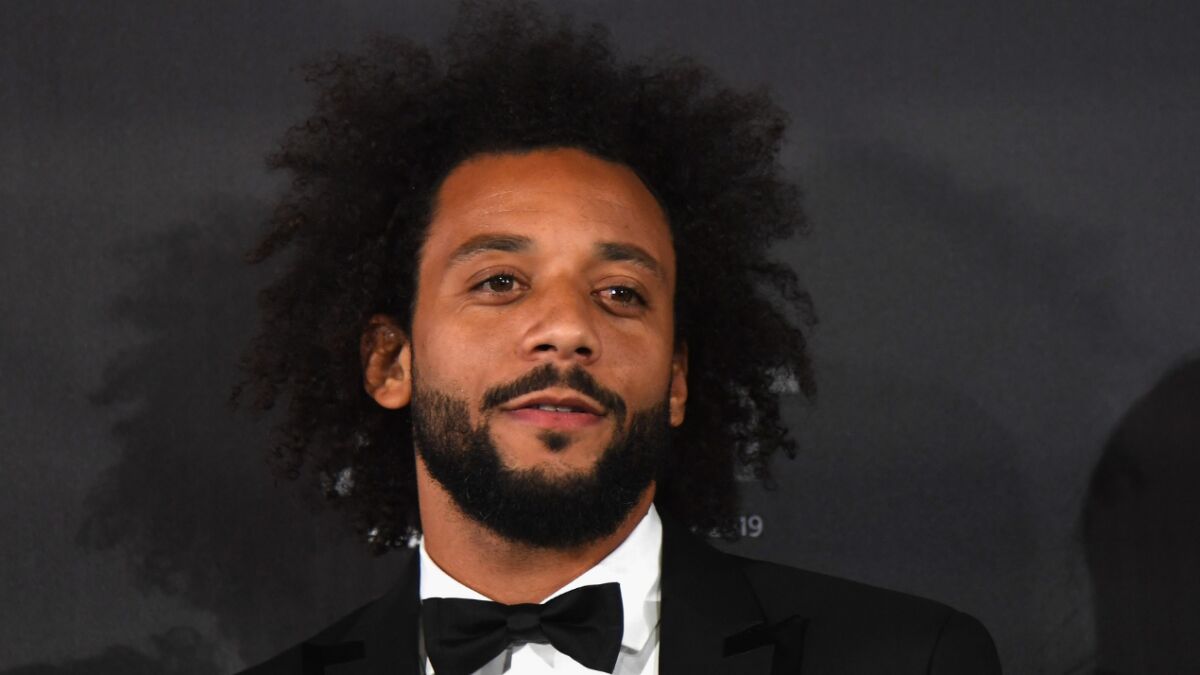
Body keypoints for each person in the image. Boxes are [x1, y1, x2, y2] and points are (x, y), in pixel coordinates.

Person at [236, 3, 1001, 673]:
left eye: (620, 293)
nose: (569, 328)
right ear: (390, 361)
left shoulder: (911, 659)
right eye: (499, 281)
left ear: (676, 379)